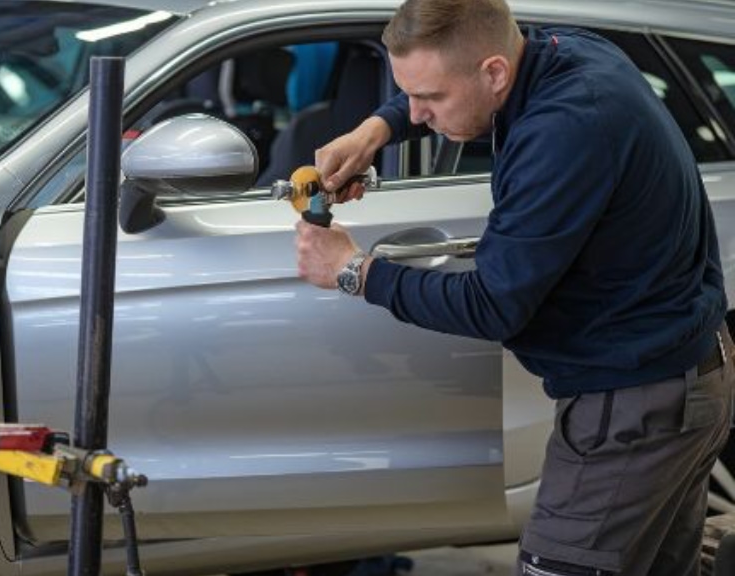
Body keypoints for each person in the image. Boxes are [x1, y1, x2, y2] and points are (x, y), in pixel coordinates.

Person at [294, 0, 734, 574]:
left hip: (636, 405)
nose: (419, 113)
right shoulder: (567, 52)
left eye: (429, 97)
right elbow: (445, 83)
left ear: (495, 73)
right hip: (683, 377)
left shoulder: (564, 130)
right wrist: (376, 129)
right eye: (410, 94)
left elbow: (493, 306)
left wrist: (354, 270)